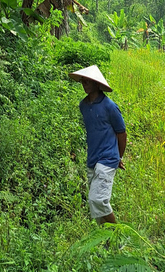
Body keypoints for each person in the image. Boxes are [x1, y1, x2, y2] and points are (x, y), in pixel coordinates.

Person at [69, 65, 127, 224]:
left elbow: (121, 133)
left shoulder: (110, 107)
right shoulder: (83, 106)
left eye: (87, 81)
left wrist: (118, 157)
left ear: (96, 83)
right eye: (82, 81)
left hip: (107, 159)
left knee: (98, 200)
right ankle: (108, 243)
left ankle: (117, 238)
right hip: (92, 159)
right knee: (96, 208)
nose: (84, 84)